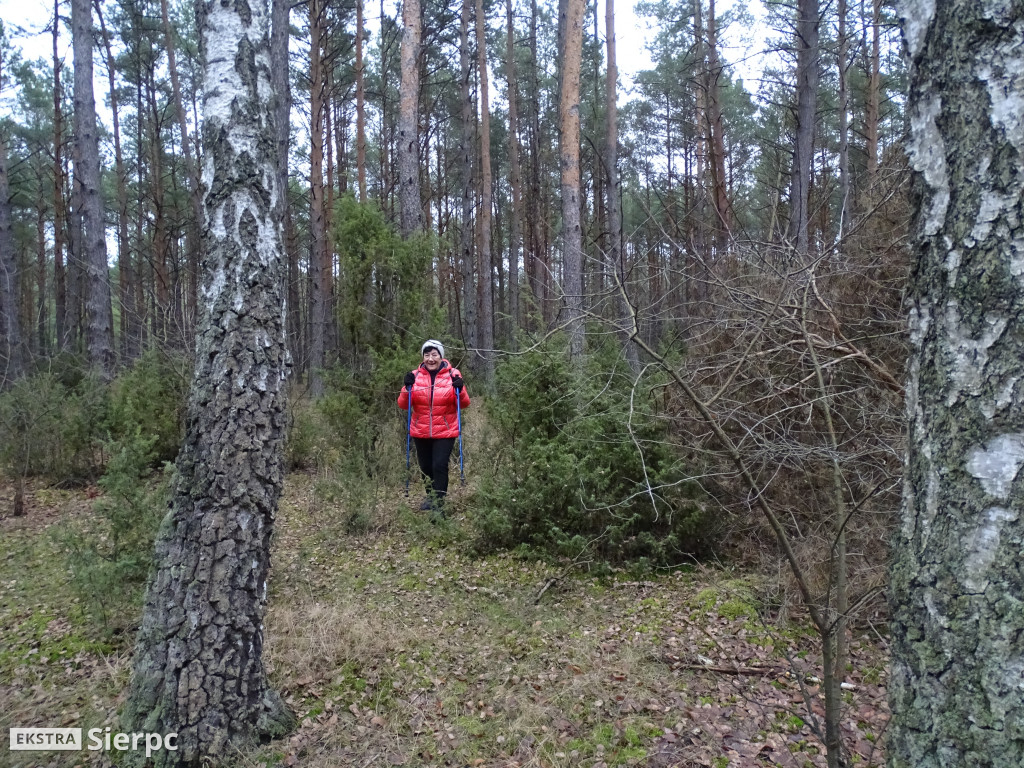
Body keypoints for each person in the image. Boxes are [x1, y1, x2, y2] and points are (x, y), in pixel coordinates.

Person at [398, 339, 469, 513]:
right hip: (420, 430)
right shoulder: (415, 376)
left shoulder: (452, 374)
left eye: (434, 354)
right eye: (427, 354)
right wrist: (406, 388)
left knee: (439, 465)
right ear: (423, 357)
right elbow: (404, 405)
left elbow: (464, 403)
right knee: (426, 467)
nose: (430, 359)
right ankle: (430, 496)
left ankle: (439, 502)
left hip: (445, 430)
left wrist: (461, 388)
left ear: (441, 356)